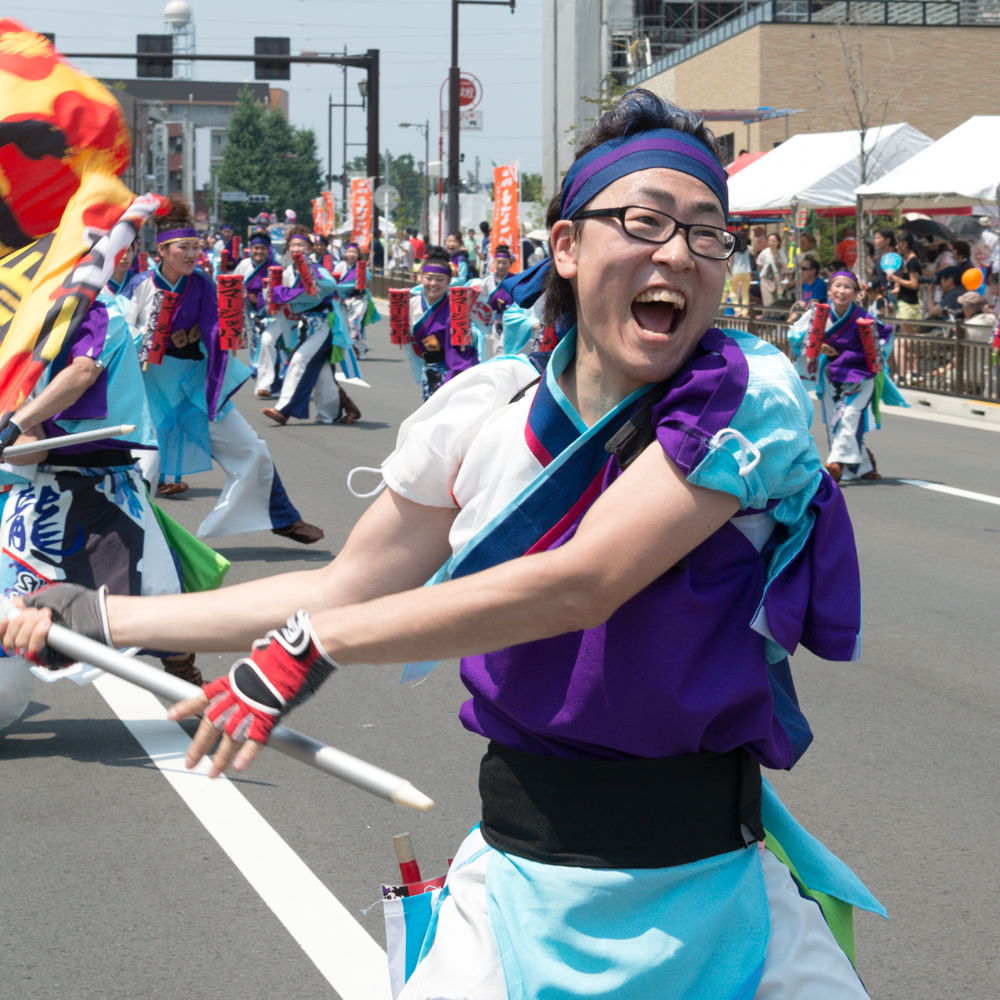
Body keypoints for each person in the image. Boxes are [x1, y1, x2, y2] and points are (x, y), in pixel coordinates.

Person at [10, 90, 887, 1000]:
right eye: (645, 220)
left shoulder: (751, 395)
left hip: (723, 895)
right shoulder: (487, 415)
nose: (679, 252)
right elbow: (346, 584)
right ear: (565, 246)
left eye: (707, 232)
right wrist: (99, 613)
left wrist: (319, 645)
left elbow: (582, 585)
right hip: (518, 896)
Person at [0, 287, 197, 731]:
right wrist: (11, 440)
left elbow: (82, 373)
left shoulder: (99, 305)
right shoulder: (19, 309)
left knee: (157, 604)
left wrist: (11, 425)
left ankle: (191, 680)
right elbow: (28, 452)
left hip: (107, 492)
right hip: (38, 495)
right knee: (13, 612)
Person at [126, 198, 324, 544]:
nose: (191, 254)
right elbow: (122, 337)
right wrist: (148, 335)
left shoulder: (202, 284)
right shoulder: (140, 286)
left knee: (251, 447)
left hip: (197, 382)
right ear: (162, 250)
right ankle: (130, 541)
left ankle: (282, 517)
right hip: (153, 390)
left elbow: (218, 331)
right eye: (183, 248)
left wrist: (229, 329)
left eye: (195, 247)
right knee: (144, 469)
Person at [790, 270, 904, 483]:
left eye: (847, 287)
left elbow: (884, 340)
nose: (841, 291)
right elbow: (794, 335)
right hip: (830, 375)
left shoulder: (864, 317)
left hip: (861, 375)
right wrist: (815, 344)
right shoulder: (818, 314)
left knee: (849, 416)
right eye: (837, 286)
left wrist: (862, 352)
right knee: (836, 421)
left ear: (856, 292)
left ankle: (835, 463)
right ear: (830, 289)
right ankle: (863, 463)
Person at [261, 226, 362, 427]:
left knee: (299, 360)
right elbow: (277, 296)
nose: (296, 248)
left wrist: (287, 293)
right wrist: (276, 294)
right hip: (305, 325)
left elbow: (330, 285)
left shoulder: (316, 268)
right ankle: (333, 413)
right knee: (323, 374)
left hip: (324, 325)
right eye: (292, 245)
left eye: (301, 245)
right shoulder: (289, 271)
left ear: (310, 249)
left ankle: (283, 410)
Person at [404, 246, 479, 399]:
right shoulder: (411, 304)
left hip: (453, 370)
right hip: (428, 367)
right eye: (429, 278)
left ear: (449, 281)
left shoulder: (456, 308)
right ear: (421, 277)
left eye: (440, 279)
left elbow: (463, 347)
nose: (433, 284)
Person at [234, 230, 278, 396]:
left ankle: (268, 384)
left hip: (271, 314)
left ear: (268, 250)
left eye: (263, 248)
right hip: (252, 312)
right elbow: (235, 285)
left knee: (268, 344)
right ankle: (263, 381)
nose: (259, 251)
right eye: (256, 248)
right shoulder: (244, 265)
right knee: (256, 343)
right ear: (250, 249)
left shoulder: (276, 267)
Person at [331, 241, 380, 359]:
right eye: (349, 252)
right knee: (345, 325)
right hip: (343, 300)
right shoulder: (340, 265)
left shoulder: (361, 266)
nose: (351, 254)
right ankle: (357, 348)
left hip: (358, 299)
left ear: (358, 254)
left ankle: (361, 349)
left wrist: (359, 275)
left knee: (354, 324)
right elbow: (334, 278)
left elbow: (367, 278)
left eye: (354, 252)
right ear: (345, 253)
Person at [786, 256, 827, 323]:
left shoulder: (819, 284)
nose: (800, 271)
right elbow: (801, 308)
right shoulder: (805, 284)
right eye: (800, 268)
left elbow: (811, 306)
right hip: (804, 320)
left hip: (814, 322)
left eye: (804, 269)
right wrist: (789, 321)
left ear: (813, 271)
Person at [727, 228, 752, 317]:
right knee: (745, 293)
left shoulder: (733, 248)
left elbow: (730, 261)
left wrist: (727, 272)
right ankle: (744, 312)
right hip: (747, 272)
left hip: (735, 272)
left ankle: (737, 310)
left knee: (733, 292)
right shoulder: (748, 248)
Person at [756, 232, 784, 308]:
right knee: (768, 302)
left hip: (778, 281)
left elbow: (785, 267)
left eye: (773, 241)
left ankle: (775, 318)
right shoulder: (764, 253)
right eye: (770, 240)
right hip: (766, 280)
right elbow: (759, 266)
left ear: (778, 242)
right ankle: (767, 317)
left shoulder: (781, 253)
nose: (771, 243)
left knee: (777, 302)